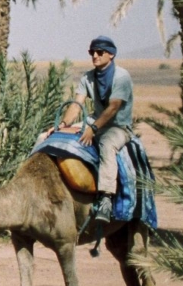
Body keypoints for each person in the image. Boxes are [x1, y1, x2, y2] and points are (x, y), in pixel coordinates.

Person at [53, 35, 134, 222]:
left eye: (100, 52)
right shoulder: (88, 77)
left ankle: (106, 198)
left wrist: (93, 129)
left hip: (118, 127)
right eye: (92, 52)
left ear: (111, 55)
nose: (95, 56)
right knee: (50, 137)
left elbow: (113, 107)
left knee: (107, 146)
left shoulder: (122, 76)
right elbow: (76, 105)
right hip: (94, 122)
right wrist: (62, 125)